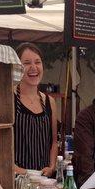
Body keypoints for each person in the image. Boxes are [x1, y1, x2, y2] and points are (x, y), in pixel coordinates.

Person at [14, 43, 58, 177]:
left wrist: (51, 166)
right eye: (27, 63)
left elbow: (54, 142)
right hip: (18, 179)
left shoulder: (49, 102)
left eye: (37, 62)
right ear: (17, 67)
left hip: (44, 180)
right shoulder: (9, 99)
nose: (34, 68)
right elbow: (1, 146)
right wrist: (23, 172)